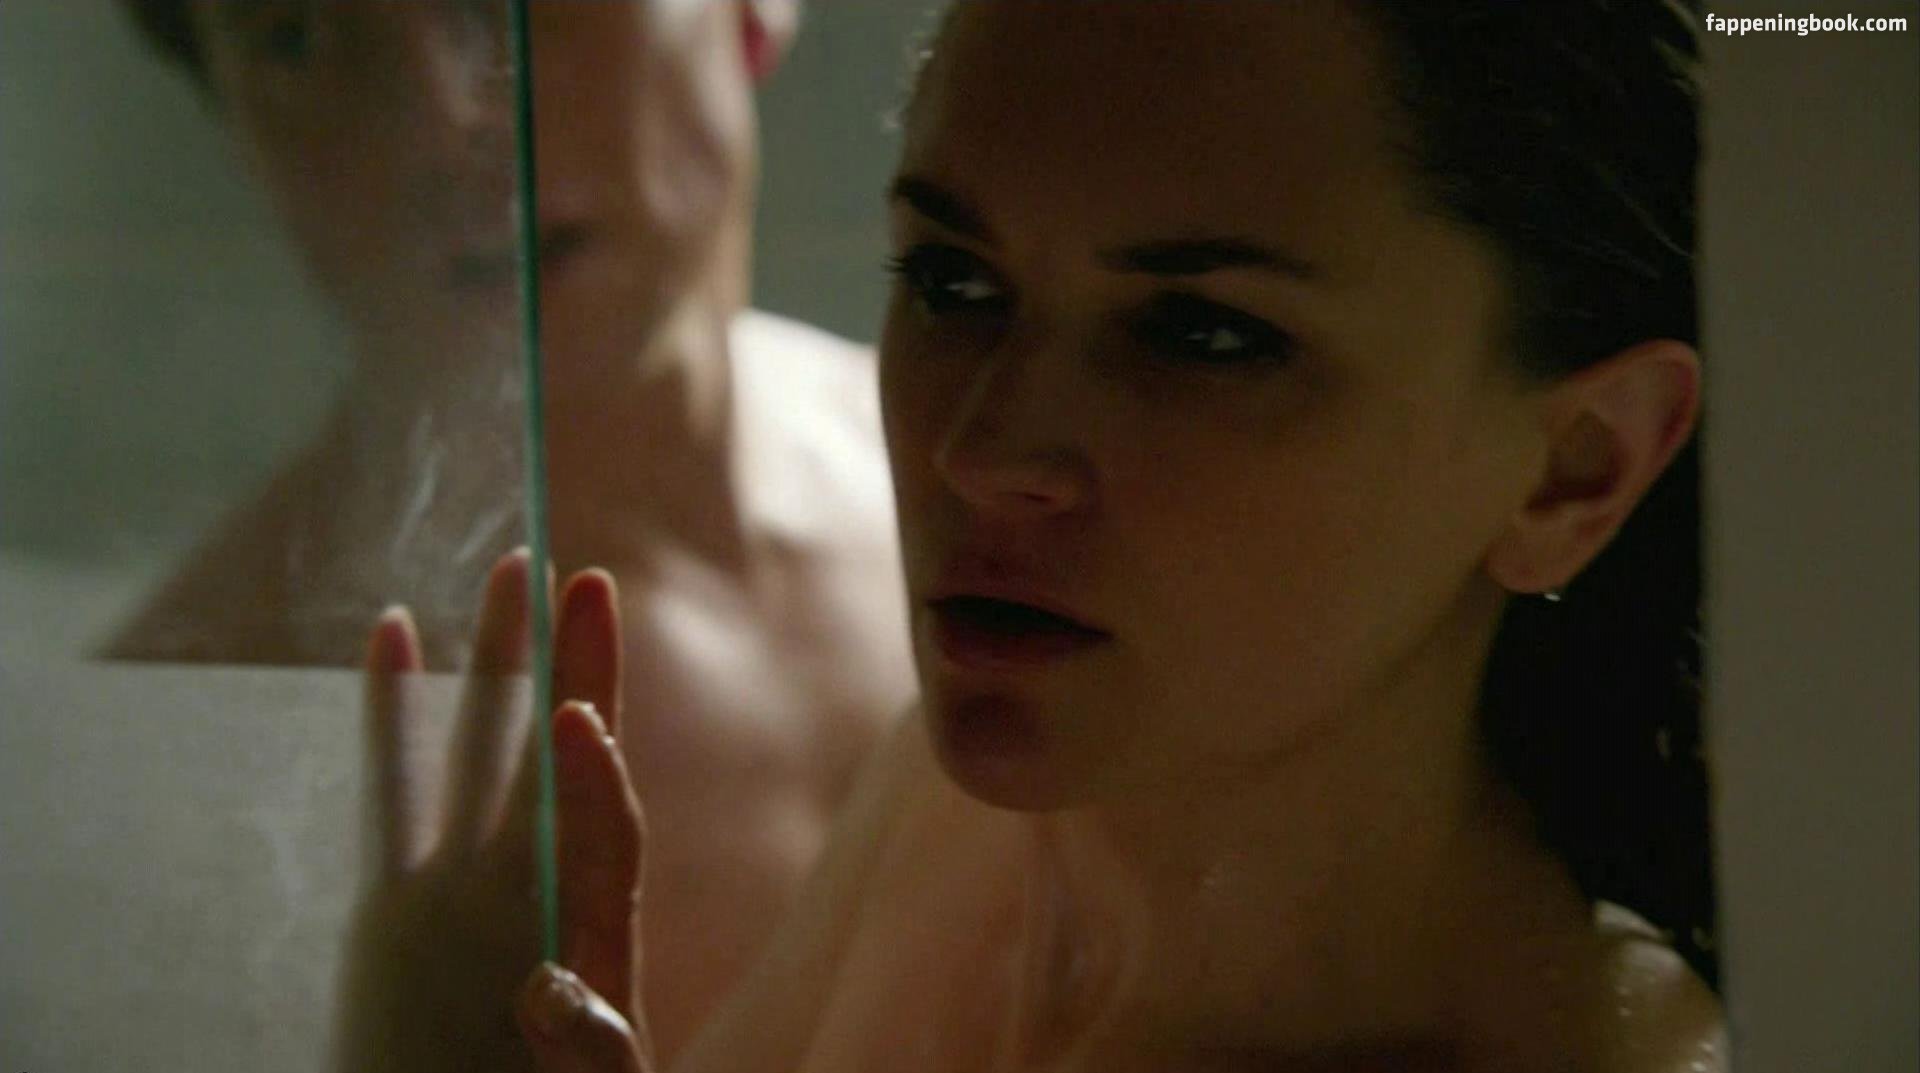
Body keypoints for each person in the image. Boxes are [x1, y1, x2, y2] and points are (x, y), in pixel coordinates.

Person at [487, 1, 1729, 1069]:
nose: (982, 452)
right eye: (952, 281)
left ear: (1578, 468)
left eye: (1204, 335)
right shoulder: (965, 821)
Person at [111, 1, 917, 1062]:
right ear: (233, 128)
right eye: (299, 37)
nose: (445, 120)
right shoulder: (179, 771)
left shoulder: (991, 482)